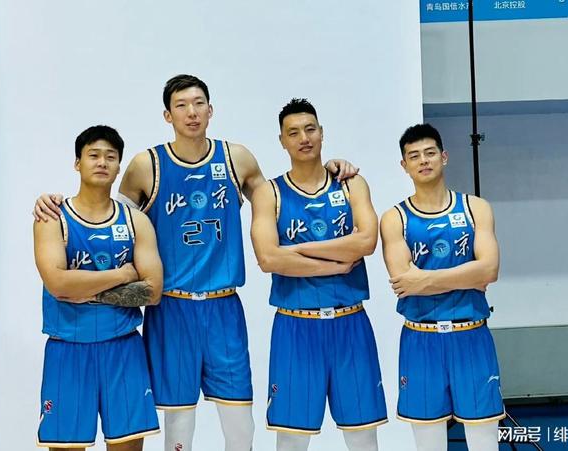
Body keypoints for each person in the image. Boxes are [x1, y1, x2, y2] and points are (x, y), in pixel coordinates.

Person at [33, 75, 358, 451]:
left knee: (241, 423)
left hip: (223, 305)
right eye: (182, 105)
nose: (191, 112)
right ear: (167, 115)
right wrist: (54, 202)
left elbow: (283, 198)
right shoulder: (146, 165)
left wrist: (325, 168)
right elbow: (110, 219)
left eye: (198, 103)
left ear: (211, 110)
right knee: (178, 422)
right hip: (173, 308)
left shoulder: (236, 158)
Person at [250, 99, 387, 451]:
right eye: (293, 132)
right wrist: (335, 263)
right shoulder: (269, 192)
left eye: (310, 129)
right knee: (292, 437)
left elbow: (367, 242)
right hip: (296, 325)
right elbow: (268, 258)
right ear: (282, 140)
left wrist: (296, 250)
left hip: (349, 322)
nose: (304, 138)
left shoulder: (351, 184)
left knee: (363, 434)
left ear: (322, 133)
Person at [33, 125, 163, 450]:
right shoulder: (52, 217)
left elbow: (152, 291)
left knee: (128, 446)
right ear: (77, 163)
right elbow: (58, 283)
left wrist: (83, 290)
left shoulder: (135, 221)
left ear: (119, 167)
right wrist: (122, 274)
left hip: (123, 348)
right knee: (66, 447)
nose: (102, 162)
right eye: (93, 155)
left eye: (110, 156)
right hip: (68, 348)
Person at [380, 123, 504, 451]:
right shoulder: (395, 218)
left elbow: (489, 270)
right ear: (404, 165)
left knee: (483, 438)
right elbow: (403, 281)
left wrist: (424, 279)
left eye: (430, 153)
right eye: (414, 156)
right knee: (428, 441)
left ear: (444, 157)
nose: (423, 160)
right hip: (421, 338)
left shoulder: (475, 208)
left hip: (471, 335)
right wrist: (466, 276)